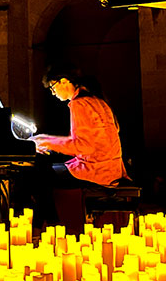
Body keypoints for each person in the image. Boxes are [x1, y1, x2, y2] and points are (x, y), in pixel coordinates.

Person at [30, 62, 129, 229]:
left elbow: (83, 146)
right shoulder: (97, 100)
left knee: (39, 173)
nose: (53, 93)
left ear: (64, 81)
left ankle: (51, 222)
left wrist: (45, 141)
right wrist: (49, 143)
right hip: (111, 167)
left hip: (96, 171)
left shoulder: (79, 103)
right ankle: (50, 220)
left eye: (52, 88)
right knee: (49, 169)